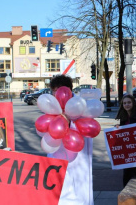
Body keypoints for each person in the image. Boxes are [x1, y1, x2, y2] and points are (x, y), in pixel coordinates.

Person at [49, 74, 94, 205]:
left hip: (77, 152)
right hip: (57, 153)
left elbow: (88, 128)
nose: (55, 94)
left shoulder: (79, 105)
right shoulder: (53, 106)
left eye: (58, 90)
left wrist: (69, 123)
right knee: (58, 186)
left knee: (78, 187)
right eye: (54, 91)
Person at [115, 94, 136, 187]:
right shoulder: (123, 116)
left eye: (129, 102)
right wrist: (118, 128)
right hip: (127, 150)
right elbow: (123, 132)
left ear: (133, 103)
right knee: (126, 173)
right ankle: (125, 195)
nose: (127, 105)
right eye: (125, 103)